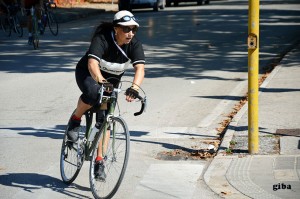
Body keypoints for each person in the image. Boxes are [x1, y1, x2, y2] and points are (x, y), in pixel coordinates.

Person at [67, 10, 145, 181]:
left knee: (105, 120)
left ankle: (99, 161)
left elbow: (140, 68)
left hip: (110, 82)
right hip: (88, 74)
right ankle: (75, 119)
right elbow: (92, 63)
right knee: (93, 94)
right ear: (116, 28)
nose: (130, 33)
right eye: (126, 29)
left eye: (133, 29)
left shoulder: (134, 45)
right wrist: (101, 82)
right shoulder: (102, 38)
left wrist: (135, 88)